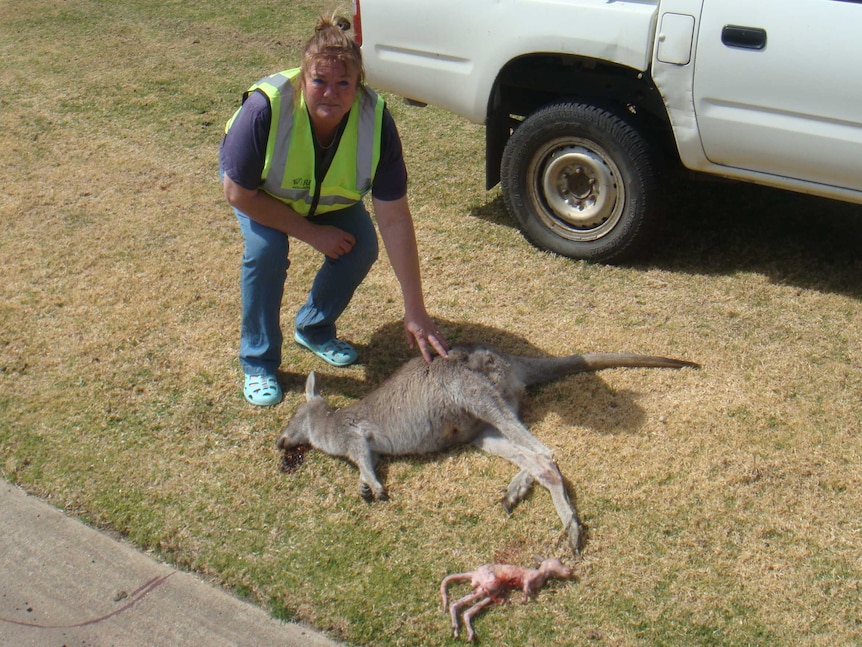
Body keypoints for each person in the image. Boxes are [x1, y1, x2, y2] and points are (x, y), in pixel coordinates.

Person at [220, 14, 449, 406]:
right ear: (302, 79)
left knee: (361, 245)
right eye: (319, 81)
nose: (331, 93)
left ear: (358, 85)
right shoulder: (266, 109)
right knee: (266, 252)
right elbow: (238, 193)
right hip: (262, 195)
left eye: (344, 83)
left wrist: (415, 308)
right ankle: (258, 361)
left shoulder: (376, 121)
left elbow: (393, 217)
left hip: (327, 197)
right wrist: (312, 233)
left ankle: (313, 327)